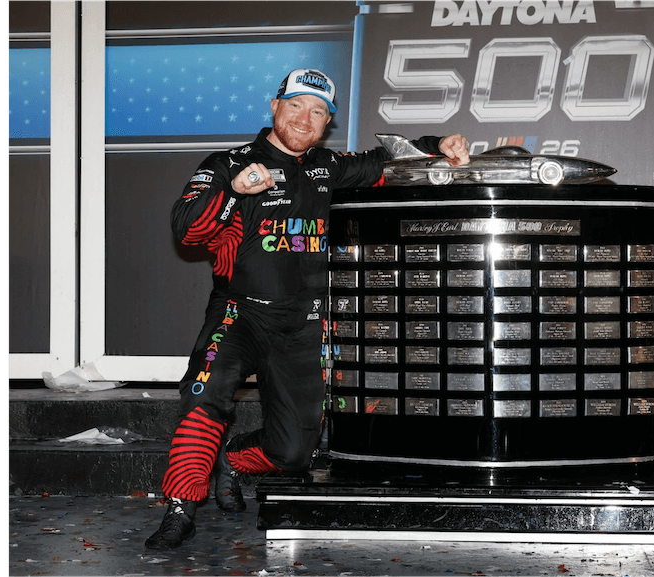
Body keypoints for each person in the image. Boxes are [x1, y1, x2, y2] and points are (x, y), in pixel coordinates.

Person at [145, 68, 469, 549]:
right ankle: (180, 508)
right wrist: (234, 191)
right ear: (274, 107)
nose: (305, 118)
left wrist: (440, 142)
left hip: (305, 323)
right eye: (295, 105)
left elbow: (390, 160)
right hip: (239, 313)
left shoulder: (330, 167)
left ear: (327, 122)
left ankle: (232, 463)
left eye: (318, 111)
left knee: (295, 454)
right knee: (204, 393)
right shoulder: (228, 163)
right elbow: (187, 230)